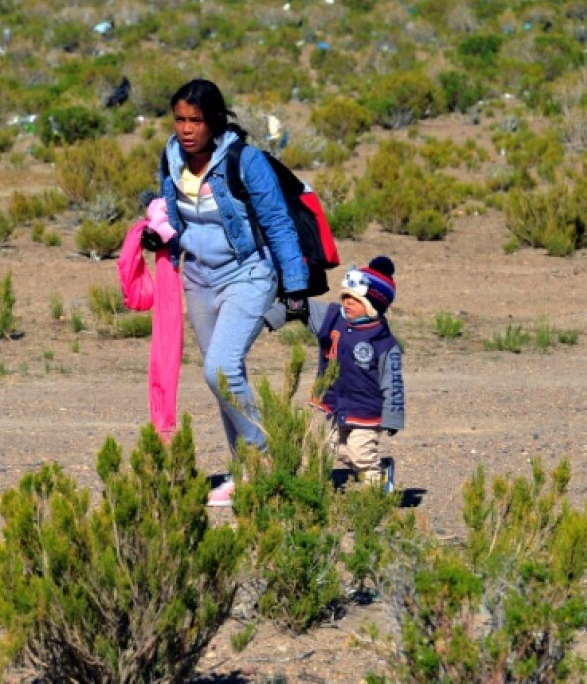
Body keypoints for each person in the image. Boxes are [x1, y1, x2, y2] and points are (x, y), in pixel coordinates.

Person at [143, 79, 310, 507]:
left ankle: (265, 458)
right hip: (197, 278)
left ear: (214, 120)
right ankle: (245, 471)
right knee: (223, 380)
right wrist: (159, 237)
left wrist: (295, 286)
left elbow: (277, 223)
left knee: (220, 368)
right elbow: (171, 210)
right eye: (179, 119)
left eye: (195, 120)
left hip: (247, 275)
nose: (186, 129)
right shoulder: (171, 155)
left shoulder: (244, 160)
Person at [306, 257, 404, 492]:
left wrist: (393, 417)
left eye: (355, 299)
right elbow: (306, 310)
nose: (348, 303)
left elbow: (394, 383)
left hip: (367, 409)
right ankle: (375, 467)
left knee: (360, 454)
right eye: (345, 297)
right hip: (338, 404)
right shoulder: (334, 321)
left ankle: (376, 486)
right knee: (331, 448)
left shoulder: (384, 342)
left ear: (372, 305)